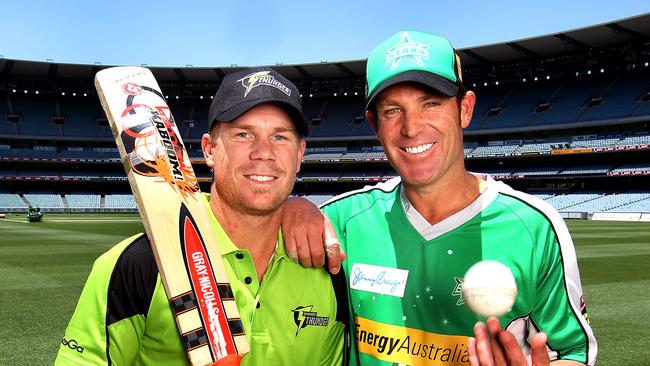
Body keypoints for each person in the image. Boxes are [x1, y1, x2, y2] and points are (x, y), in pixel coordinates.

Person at [282, 31, 597, 365]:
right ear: (374, 124)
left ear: (465, 109)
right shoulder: (343, 221)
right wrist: (291, 206)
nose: (411, 127)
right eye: (392, 111)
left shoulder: (535, 227)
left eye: (430, 103)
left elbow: (574, 351)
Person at [55, 68, 349, 365]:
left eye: (280, 137)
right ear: (209, 149)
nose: (264, 152)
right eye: (243, 134)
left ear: (300, 155)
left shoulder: (328, 272)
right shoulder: (138, 265)